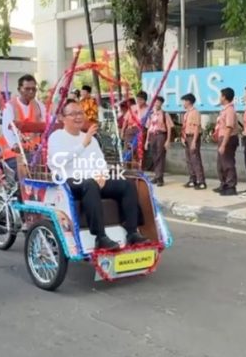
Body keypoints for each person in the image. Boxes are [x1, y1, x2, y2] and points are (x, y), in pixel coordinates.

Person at [48, 101, 148, 250]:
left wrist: (102, 174)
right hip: (68, 182)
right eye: (73, 114)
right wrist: (83, 144)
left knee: (126, 184)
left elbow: (100, 161)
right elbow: (58, 161)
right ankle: (100, 237)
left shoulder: (91, 139)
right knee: (90, 184)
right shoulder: (57, 137)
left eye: (80, 113)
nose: (78, 117)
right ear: (63, 118)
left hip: (94, 180)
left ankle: (132, 232)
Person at [0, 74, 47, 173]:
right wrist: (15, 145)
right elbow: (7, 130)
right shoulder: (10, 106)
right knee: (25, 173)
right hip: (14, 153)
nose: (31, 92)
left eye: (34, 89)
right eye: (27, 89)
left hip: (36, 152)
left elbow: (47, 126)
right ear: (19, 89)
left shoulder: (40, 106)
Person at [211, 88, 239, 196]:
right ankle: (224, 184)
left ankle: (231, 186)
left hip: (228, 138)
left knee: (228, 163)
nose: (219, 98)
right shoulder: (224, 110)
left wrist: (223, 144)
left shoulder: (230, 110)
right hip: (222, 137)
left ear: (224, 97)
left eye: (220, 95)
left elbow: (229, 127)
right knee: (221, 163)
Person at [145, 96, 173, 186]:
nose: (157, 103)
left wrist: (168, 140)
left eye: (159, 102)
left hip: (161, 135)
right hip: (152, 136)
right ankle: (156, 175)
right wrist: (146, 141)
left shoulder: (165, 114)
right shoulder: (150, 114)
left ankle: (160, 178)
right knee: (154, 156)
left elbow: (169, 127)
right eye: (155, 102)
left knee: (160, 156)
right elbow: (149, 128)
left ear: (161, 104)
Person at [181, 93, 206, 189]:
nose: (183, 103)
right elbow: (184, 127)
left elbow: (196, 127)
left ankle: (201, 181)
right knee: (189, 160)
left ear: (188, 101)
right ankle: (192, 179)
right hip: (187, 137)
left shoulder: (195, 112)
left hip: (193, 137)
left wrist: (194, 141)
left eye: (184, 101)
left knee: (195, 159)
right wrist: (183, 137)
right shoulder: (186, 113)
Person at [122, 91, 149, 159]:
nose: (139, 101)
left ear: (145, 100)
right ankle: (126, 167)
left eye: (141, 100)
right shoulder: (132, 107)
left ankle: (138, 168)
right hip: (130, 130)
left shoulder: (149, 109)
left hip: (141, 132)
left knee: (138, 151)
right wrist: (122, 131)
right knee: (127, 150)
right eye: (138, 99)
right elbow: (125, 120)